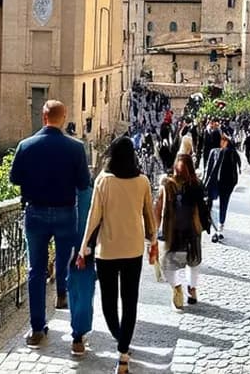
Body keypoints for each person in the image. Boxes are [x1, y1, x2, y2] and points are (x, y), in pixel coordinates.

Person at [9, 100, 92, 348]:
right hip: (66, 213)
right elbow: (83, 183)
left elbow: (14, 178)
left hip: (35, 213)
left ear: (44, 118)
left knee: (35, 270)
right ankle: (62, 295)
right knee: (66, 259)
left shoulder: (25, 146)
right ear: (63, 118)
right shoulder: (76, 148)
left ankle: (37, 329)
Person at [79, 137, 157, 374]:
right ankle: (123, 351)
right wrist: (153, 241)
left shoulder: (103, 180)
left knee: (109, 303)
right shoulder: (142, 181)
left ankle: (120, 339)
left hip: (108, 251)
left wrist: (83, 247)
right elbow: (148, 216)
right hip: (133, 249)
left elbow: (93, 216)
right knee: (130, 300)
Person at [155, 154, 208, 308]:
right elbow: (159, 208)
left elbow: (159, 208)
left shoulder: (189, 185)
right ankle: (184, 289)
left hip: (184, 229)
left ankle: (185, 288)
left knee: (184, 262)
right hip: (180, 229)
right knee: (182, 262)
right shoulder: (171, 185)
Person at [67, 178, 97, 356]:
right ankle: (79, 334)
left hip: (68, 246)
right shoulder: (91, 193)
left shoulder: (63, 190)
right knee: (85, 289)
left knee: (73, 288)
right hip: (87, 247)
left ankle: (77, 333)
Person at [203, 130, 243, 242]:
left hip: (219, 183)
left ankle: (217, 228)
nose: (222, 142)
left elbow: (208, 170)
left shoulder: (219, 152)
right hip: (226, 183)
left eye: (224, 140)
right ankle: (219, 227)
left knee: (216, 205)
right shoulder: (231, 152)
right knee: (222, 205)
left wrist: (205, 183)